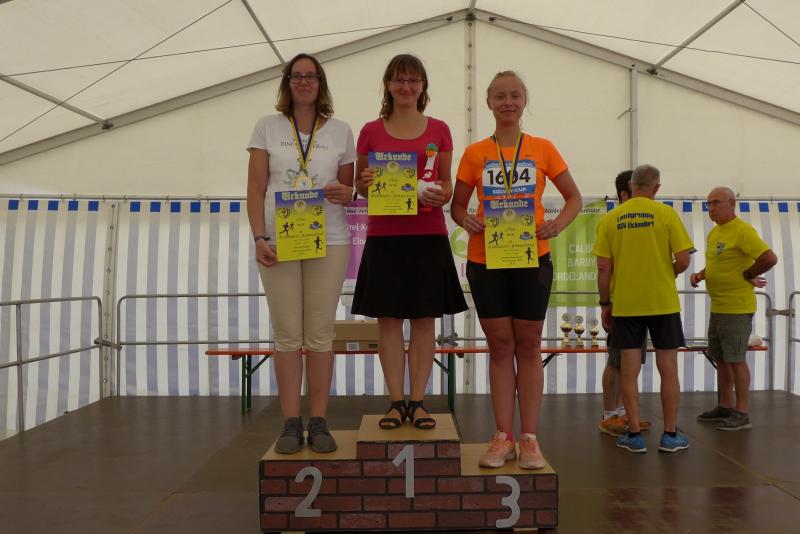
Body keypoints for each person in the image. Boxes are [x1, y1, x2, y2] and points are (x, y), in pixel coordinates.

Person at [452, 71, 582, 468]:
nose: (507, 102)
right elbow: (457, 206)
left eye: (514, 96)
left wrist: (557, 225)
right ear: (488, 103)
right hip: (486, 260)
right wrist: (465, 219)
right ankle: (502, 436)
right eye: (499, 96)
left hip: (532, 258)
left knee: (528, 345)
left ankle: (529, 438)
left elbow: (574, 198)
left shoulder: (543, 148)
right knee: (500, 347)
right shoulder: (475, 153)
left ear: (524, 101)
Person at [246, 53, 355, 454]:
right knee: (288, 334)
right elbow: (255, 188)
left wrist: (348, 192)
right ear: (287, 82)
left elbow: (349, 189)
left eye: (311, 76)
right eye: (297, 76)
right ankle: (291, 422)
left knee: (321, 334)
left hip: (330, 239)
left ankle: (319, 421)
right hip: (280, 239)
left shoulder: (341, 130)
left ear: (321, 82)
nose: (304, 82)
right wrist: (259, 236)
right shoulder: (267, 126)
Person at [353, 54, 467, 430]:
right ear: (388, 84)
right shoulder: (370, 130)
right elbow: (360, 185)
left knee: (423, 320)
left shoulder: (440, 129)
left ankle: (417, 402)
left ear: (423, 86)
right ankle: (394, 402)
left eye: (413, 80)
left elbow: (447, 183)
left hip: (428, 234)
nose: (406, 86)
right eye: (399, 80)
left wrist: (443, 193)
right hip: (384, 236)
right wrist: (365, 183)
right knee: (388, 322)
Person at [593, 164, 694, 454]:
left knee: (628, 370)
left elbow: (603, 268)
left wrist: (605, 303)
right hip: (663, 302)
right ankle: (670, 435)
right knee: (668, 369)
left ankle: (634, 434)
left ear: (631, 186)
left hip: (626, 304)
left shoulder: (610, 219)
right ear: (657, 188)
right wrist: (667, 272)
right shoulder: (666, 214)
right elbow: (684, 260)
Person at [690, 187, 777, 430]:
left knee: (736, 359)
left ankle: (742, 412)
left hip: (736, 307)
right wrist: (701, 274)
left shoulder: (742, 231)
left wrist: (749, 273)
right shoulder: (714, 233)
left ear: (732, 203)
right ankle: (725, 405)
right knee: (721, 357)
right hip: (719, 306)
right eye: (708, 204)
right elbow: (719, 264)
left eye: (716, 202)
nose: (711, 208)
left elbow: (769, 258)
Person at [598, 171, 650, 437]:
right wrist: (606, 303)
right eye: (640, 191)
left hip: (644, 302)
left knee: (630, 362)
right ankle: (611, 414)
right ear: (624, 194)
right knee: (617, 360)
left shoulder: (645, 220)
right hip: (622, 303)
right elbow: (603, 266)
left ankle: (622, 412)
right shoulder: (613, 221)